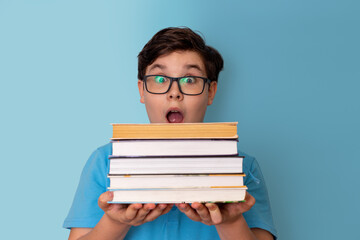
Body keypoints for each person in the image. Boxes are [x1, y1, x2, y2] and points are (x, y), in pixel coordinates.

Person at [63, 27, 277, 240]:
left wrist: (231, 222)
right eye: (159, 79)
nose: (174, 93)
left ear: (210, 92)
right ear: (142, 90)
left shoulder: (242, 167)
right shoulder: (105, 161)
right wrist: (115, 221)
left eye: (190, 80)